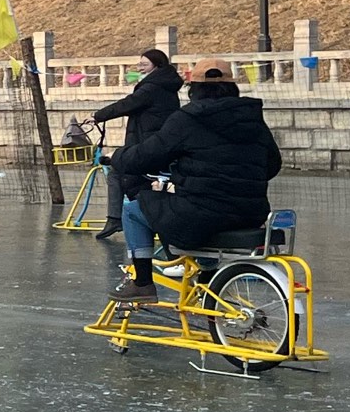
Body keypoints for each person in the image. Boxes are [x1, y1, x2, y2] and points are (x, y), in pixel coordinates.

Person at [108, 65, 283, 301]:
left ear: (195, 89)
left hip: (202, 215)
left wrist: (117, 157)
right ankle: (207, 280)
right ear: (232, 87)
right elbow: (272, 164)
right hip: (249, 213)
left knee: (132, 210)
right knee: (199, 216)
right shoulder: (253, 119)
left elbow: (148, 155)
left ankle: (141, 283)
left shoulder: (189, 118)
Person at [89, 48, 182, 195]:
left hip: (146, 140)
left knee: (123, 176)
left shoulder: (152, 87)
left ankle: (116, 217)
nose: (140, 69)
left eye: (145, 65)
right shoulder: (167, 85)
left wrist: (98, 116)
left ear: (157, 65)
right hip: (159, 140)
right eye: (139, 64)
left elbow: (127, 104)